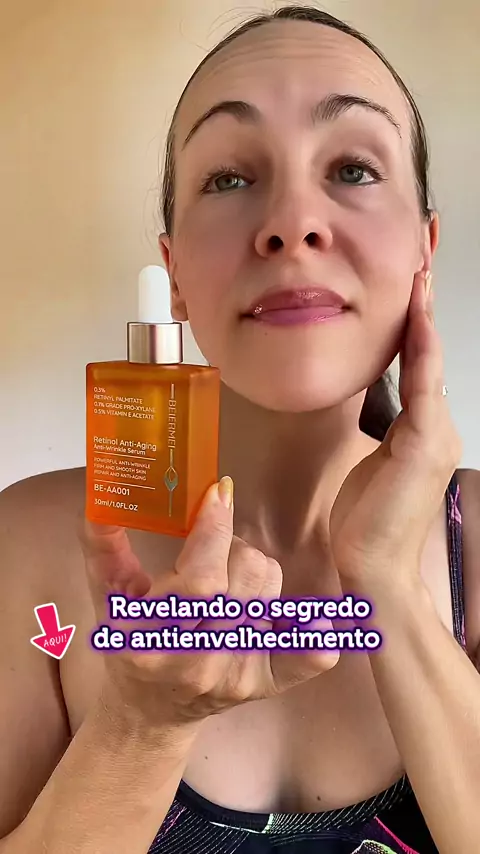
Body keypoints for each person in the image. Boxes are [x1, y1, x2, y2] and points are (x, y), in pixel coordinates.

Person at [1, 6, 479, 853]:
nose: (292, 223)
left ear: (424, 250)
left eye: (354, 169)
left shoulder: (472, 541)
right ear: (174, 275)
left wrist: (389, 585)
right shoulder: (29, 548)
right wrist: (143, 726)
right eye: (228, 178)